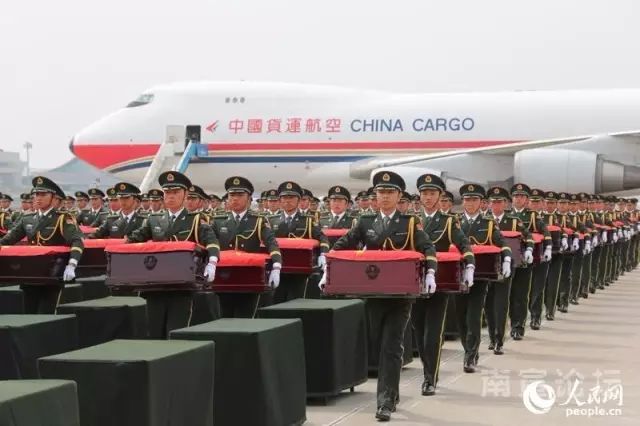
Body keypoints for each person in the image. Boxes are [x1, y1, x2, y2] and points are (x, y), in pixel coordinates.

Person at [331, 170, 437, 421]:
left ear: (399, 196)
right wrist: (329, 267)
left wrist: (430, 273)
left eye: (390, 192)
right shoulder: (365, 222)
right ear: (375, 196)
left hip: (400, 295)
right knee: (376, 343)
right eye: (381, 192)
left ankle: (385, 401)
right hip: (372, 293)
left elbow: (428, 248)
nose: (385, 197)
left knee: (391, 346)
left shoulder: (409, 223)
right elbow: (341, 246)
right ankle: (392, 392)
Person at [126, 171, 220, 338]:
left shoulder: (195, 219)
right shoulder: (154, 219)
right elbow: (134, 239)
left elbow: (212, 242)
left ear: (185, 195)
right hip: (155, 284)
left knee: (176, 331)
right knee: (154, 332)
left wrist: (212, 262)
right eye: (167, 192)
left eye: (175, 192)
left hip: (182, 286)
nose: (170, 196)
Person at [411, 174, 474, 396]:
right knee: (418, 330)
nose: (428, 198)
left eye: (432, 194)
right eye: (424, 194)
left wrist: (469, 265)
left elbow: (464, 245)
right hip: (414, 282)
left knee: (433, 333)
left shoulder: (448, 221)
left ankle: (430, 378)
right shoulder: (411, 220)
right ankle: (427, 369)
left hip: (440, 281)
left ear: (440, 196)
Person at [0, 176, 83, 313]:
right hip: (30, 274)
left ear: (53, 198)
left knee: (47, 314)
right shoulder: (27, 218)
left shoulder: (62, 218)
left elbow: (77, 240)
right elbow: (8, 239)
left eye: (43, 195)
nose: (38, 198)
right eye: (36, 194)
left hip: (52, 274)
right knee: (29, 314)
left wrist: (72, 264)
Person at [456, 184, 511, 373]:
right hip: (458, 276)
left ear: (481, 203)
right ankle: (468, 348)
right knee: (461, 317)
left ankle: (470, 354)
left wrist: (506, 258)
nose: (470, 203)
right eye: (467, 199)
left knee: (473, 315)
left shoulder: (488, 224)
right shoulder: (454, 222)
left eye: (474, 199)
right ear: (463, 202)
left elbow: (502, 242)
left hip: (480, 276)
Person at [211, 176, 282, 317]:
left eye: (240, 195)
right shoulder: (218, 221)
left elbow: (271, 243)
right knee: (223, 317)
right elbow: (210, 244)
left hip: (249, 277)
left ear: (249, 198)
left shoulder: (258, 220)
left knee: (246, 317)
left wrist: (276, 267)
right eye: (232, 195)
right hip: (223, 277)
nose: (235, 199)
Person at [485, 186, 533, 354]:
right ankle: (492, 336)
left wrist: (528, 250)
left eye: (499, 202)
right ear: (488, 204)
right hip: (486, 267)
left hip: (507, 265)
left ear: (505, 203)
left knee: (502, 302)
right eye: (493, 202)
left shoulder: (513, 221)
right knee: (488, 303)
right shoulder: (484, 220)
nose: (496, 205)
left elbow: (528, 237)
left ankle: (499, 338)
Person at [268, 181, 330, 302]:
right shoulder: (271, 220)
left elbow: (323, 238)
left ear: (299, 200)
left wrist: (323, 254)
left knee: (296, 300)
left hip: (300, 271)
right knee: (277, 301)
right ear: (280, 200)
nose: (287, 201)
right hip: (278, 268)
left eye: (291, 197)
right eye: (284, 198)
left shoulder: (307, 220)